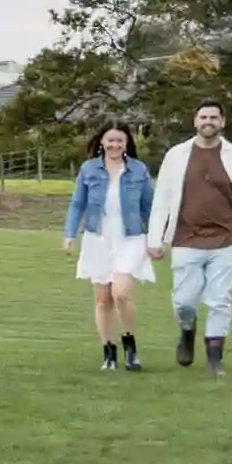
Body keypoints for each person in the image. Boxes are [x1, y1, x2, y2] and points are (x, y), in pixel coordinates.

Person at [145, 99, 232, 379]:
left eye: (214, 117)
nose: (208, 122)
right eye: (203, 117)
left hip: (225, 240)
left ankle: (214, 360)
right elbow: (162, 199)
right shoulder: (177, 155)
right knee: (185, 300)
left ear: (222, 122)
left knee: (219, 300)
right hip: (186, 238)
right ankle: (187, 329)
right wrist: (154, 238)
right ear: (195, 121)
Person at [60, 122, 155, 372]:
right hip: (98, 238)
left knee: (121, 292)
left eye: (120, 141)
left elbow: (150, 207)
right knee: (103, 300)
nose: (114, 145)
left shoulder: (138, 170)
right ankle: (109, 351)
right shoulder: (89, 169)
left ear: (127, 144)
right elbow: (77, 203)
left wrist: (157, 238)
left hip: (130, 237)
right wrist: (69, 234)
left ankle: (130, 346)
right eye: (110, 140)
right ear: (101, 141)